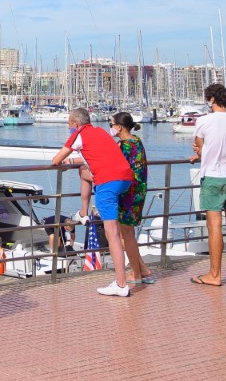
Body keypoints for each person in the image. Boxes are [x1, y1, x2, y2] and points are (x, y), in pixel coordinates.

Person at [52, 108, 134, 296]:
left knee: (112, 233)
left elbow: (56, 159)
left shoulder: (78, 134)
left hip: (108, 182)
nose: (69, 129)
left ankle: (121, 284)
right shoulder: (100, 132)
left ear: (75, 124)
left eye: (68, 125)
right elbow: (92, 157)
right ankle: (83, 213)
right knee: (84, 172)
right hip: (125, 179)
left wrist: (63, 163)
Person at [187, 83, 226, 287]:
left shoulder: (204, 120)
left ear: (211, 99)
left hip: (213, 175)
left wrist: (199, 151)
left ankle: (214, 274)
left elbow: (199, 145)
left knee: (214, 226)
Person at [111, 112, 153, 285]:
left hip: (128, 193)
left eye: (112, 124)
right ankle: (141, 268)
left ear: (119, 127)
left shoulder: (124, 146)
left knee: (126, 233)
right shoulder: (136, 140)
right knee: (127, 233)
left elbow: (117, 167)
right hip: (139, 190)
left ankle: (136, 273)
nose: (111, 127)